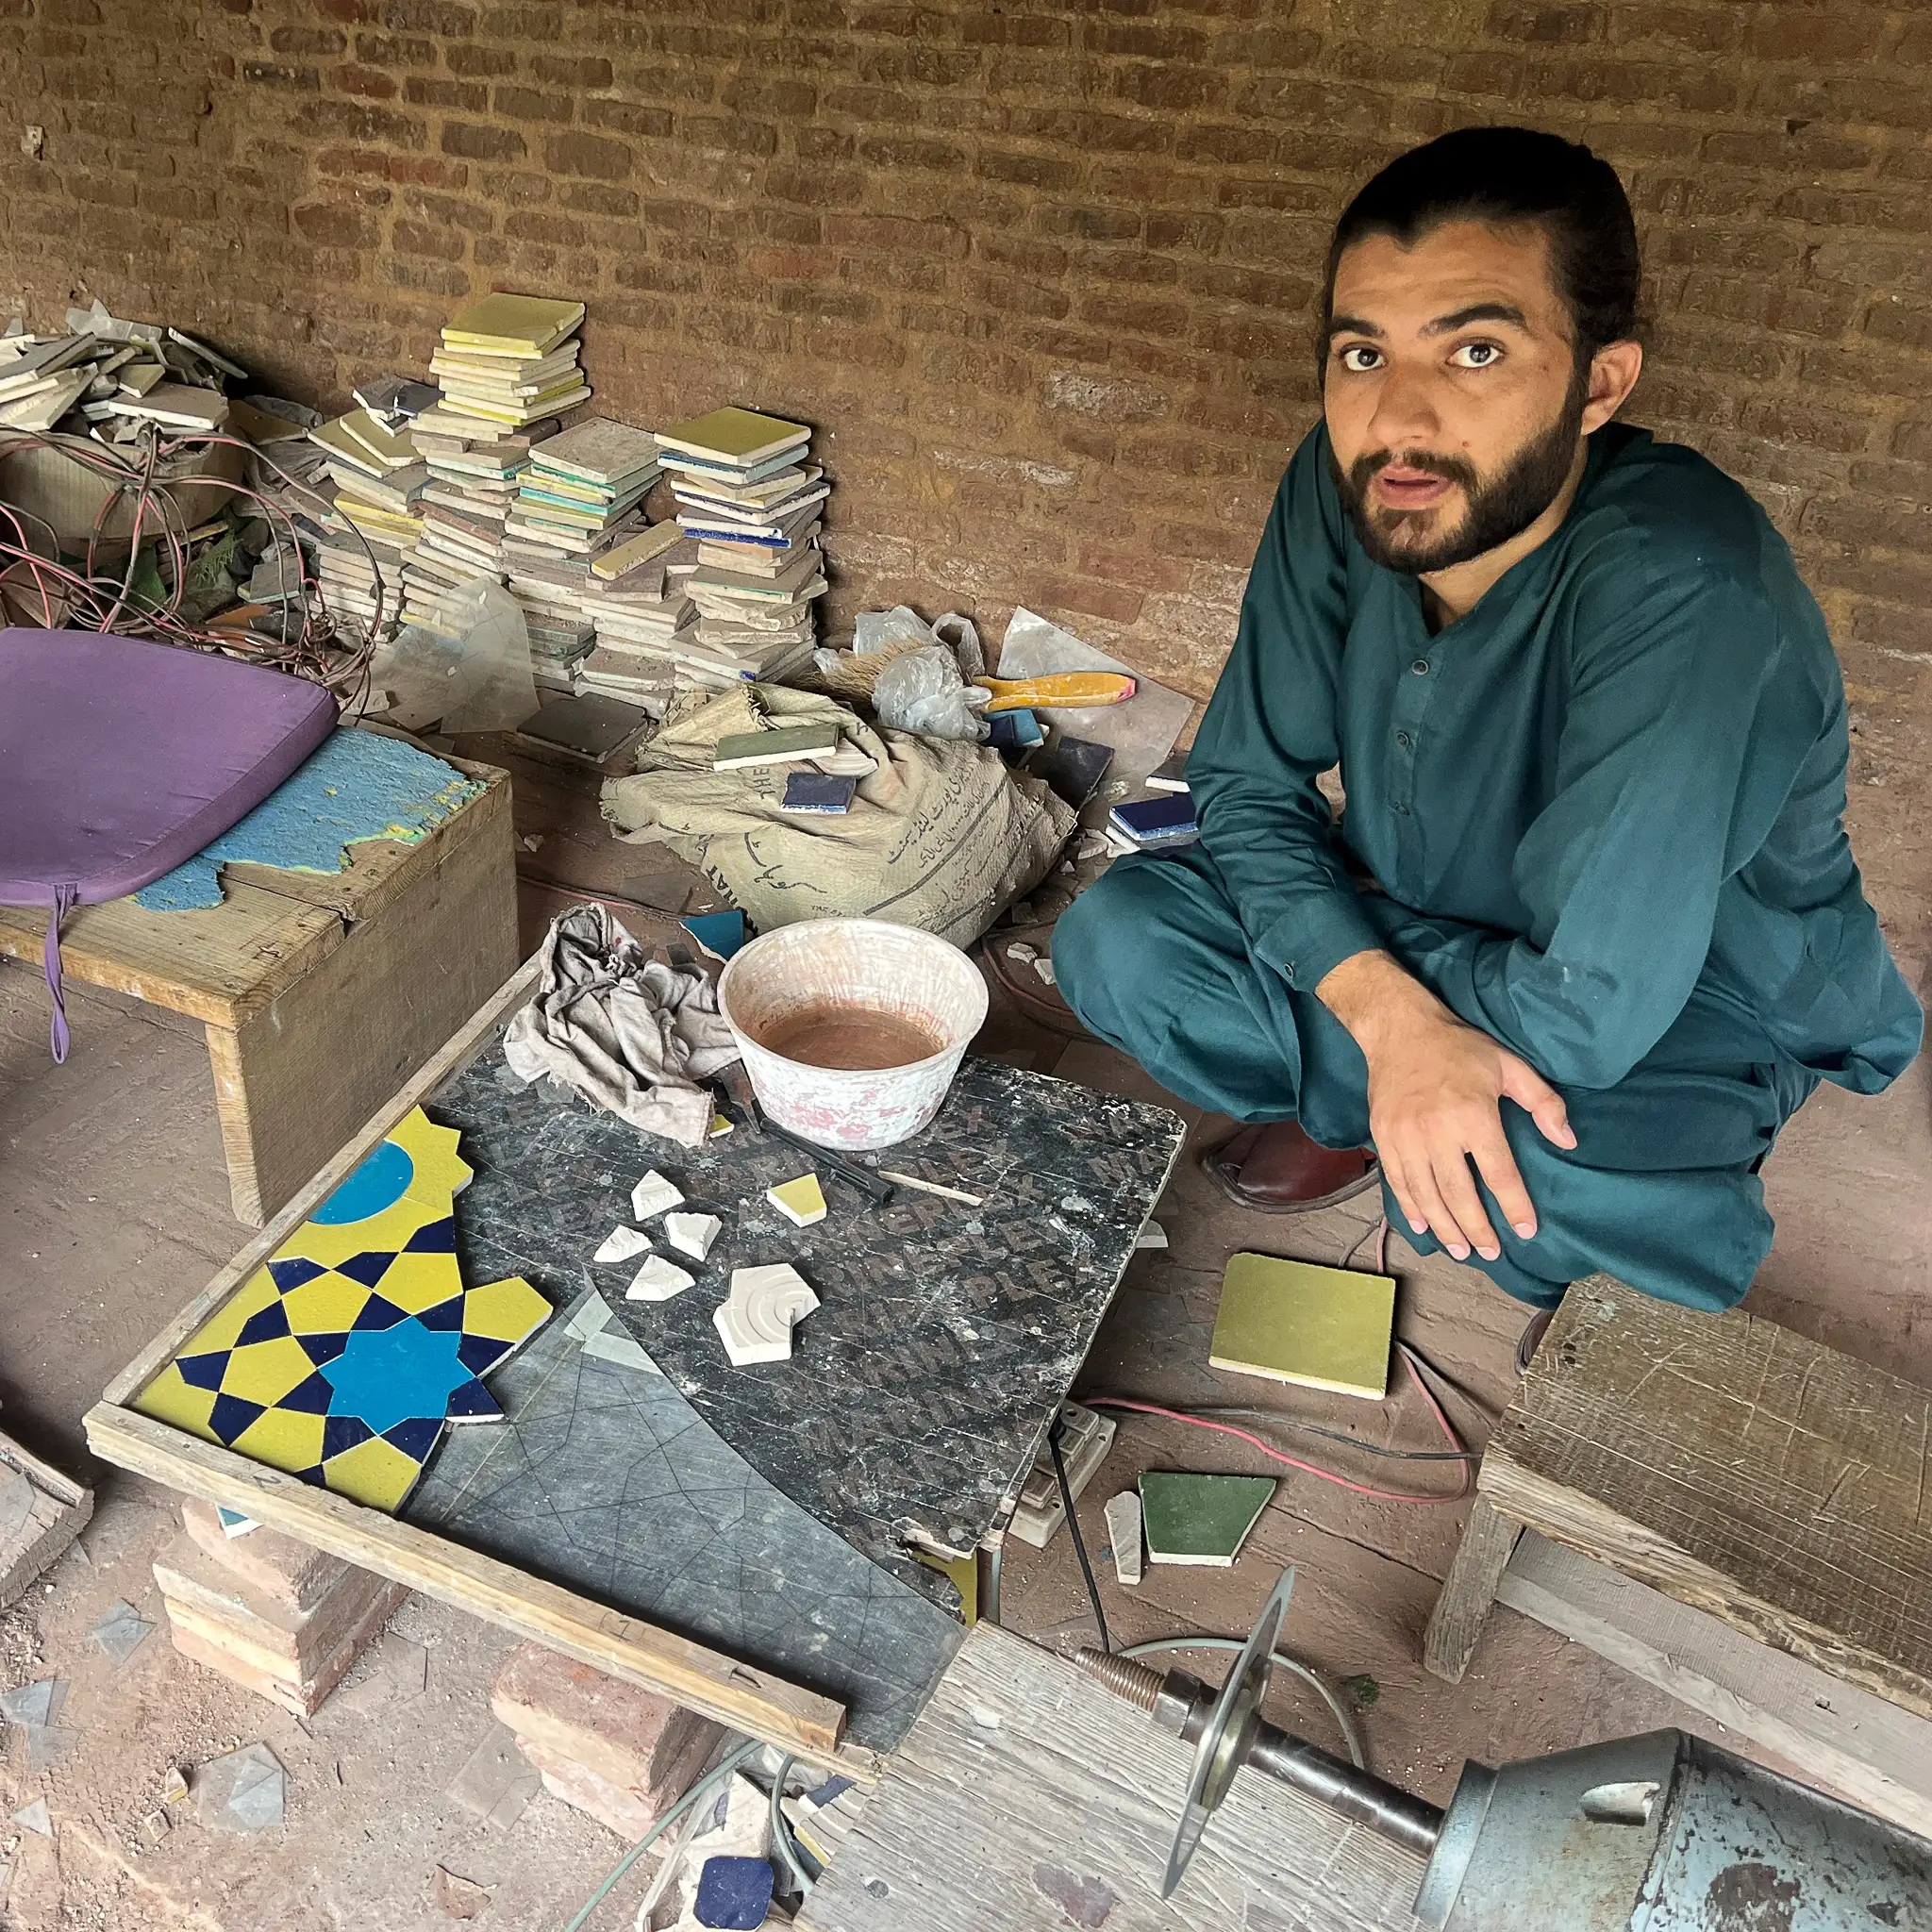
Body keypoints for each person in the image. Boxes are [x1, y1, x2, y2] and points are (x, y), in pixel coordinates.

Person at [1052, 125, 1922, 1336]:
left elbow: (1586, 1010)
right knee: (1123, 942)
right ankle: (1380, 1099)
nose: (1396, 417)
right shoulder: (1343, 478)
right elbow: (1247, 780)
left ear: (1598, 383)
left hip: (1688, 995)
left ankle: (1407, 1122)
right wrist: (1394, 1020)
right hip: (1444, 927)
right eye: (1362, 352)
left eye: (1473, 349)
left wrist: (1343, 968)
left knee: (1533, 1183)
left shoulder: (1684, 586)